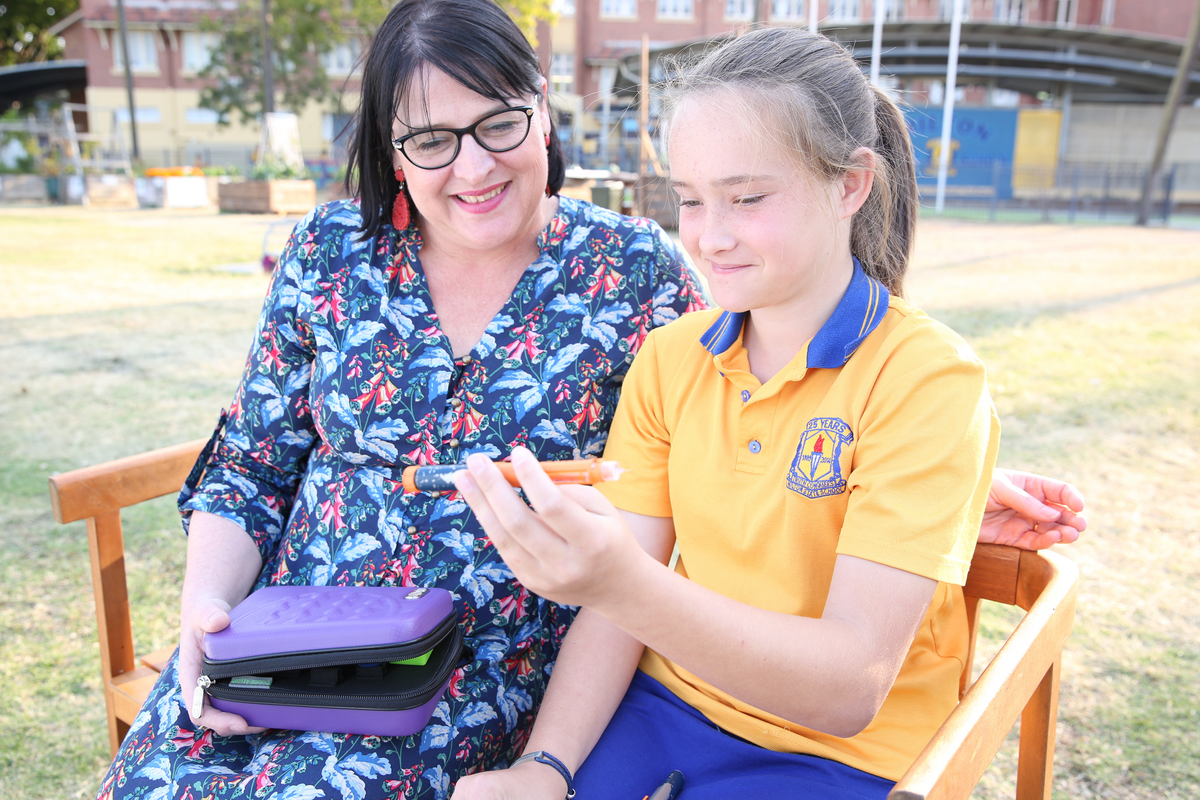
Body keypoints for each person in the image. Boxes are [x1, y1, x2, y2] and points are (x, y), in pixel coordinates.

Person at [95, 6, 1082, 799]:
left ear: (544, 112)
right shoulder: (329, 254)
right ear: (392, 152)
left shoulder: (634, 270)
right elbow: (252, 462)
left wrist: (938, 488)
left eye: (498, 124)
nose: (472, 167)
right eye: (432, 141)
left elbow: (805, 375)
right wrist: (208, 614)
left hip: (479, 657)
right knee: (156, 774)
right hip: (294, 630)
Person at [450, 26, 1077, 800]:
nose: (711, 236)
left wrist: (620, 583)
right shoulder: (669, 360)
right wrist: (541, 769)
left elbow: (850, 687)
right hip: (664, 706)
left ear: (851, 185)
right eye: (689, 200)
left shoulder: (928, 380)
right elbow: (616, 614)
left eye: (746, 198)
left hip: (842, 757)